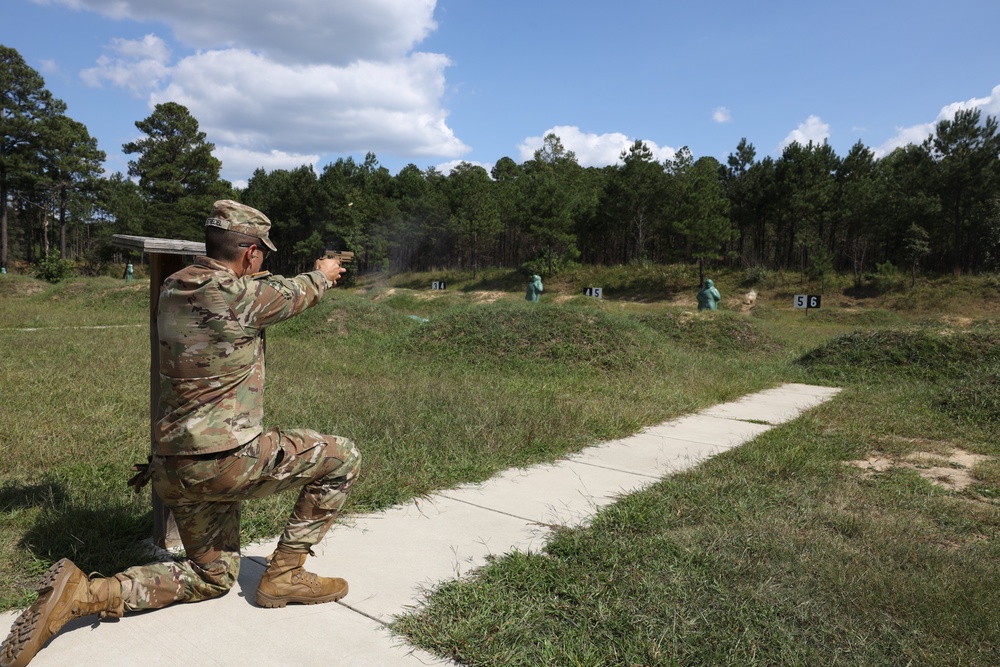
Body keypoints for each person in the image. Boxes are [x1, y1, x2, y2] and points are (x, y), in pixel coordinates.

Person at [1, 201, 361, 667]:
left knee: (212, 577)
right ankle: (286, 575)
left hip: (172, 466)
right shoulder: (242, 297)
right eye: (259, 253)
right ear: (250, 253)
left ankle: (86, 594)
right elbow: (296, 292)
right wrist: (324, 272)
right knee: (342, 456)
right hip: (224, 461)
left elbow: (247, 288)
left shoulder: (174, 287)